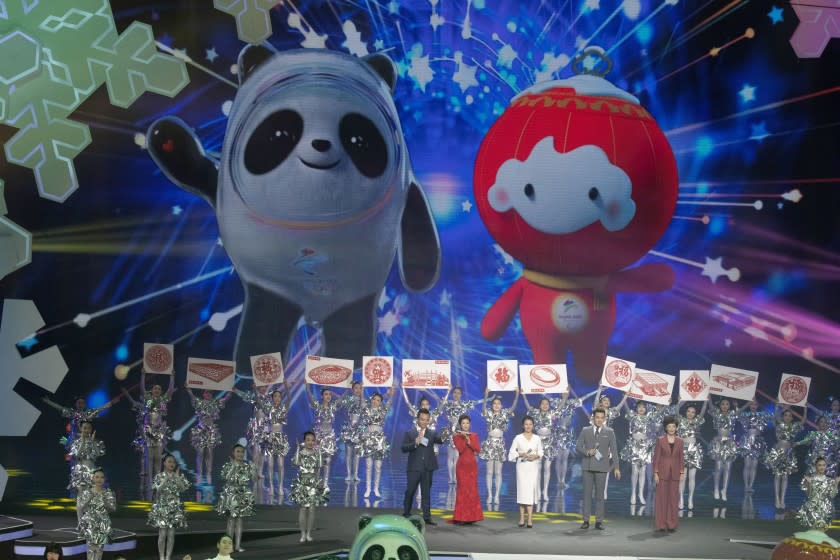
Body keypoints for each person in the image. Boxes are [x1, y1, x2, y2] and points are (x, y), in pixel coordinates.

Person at [122, 372, 176, 486]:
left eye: (159, 389)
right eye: (155, 388)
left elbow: (170, 390)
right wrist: (142, 375)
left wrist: (172, 377)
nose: (157, 390)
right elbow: (142, 388)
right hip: (148, 432)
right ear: (151, 391)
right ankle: (149, 483)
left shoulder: (162, 400)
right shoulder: (147, 399)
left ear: (161, 392)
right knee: (149, 458)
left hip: (159, 432)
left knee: (158, 458)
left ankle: (157, 483)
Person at [576, 407, 620, 530]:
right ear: (593, 418)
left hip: (602, 467)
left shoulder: (609, 431)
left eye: (602, 418)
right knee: (587, 495)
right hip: (587, 466)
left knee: (600, 496)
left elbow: (615, 451)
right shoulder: (586, 430)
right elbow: (578, 446)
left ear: (605, 419)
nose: (599, 420)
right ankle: (586, 520)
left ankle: (599, 521)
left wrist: (616, 467)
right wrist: (587, 451)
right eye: (597, 417)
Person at [401, 408, 444, 525]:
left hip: (427, 468)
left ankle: (427, 517)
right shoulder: (410, 433)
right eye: (422, 419)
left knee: (426, 493)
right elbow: (404, 448)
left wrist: (446, 434)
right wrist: (414, 443)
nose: (424, 422)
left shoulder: (431, 433)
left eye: (426, 420)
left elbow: (440, 440)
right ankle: (406, 513)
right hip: (414, 468)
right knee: (410, 491)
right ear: (417, 419)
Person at [479, 387, 520, 504]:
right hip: (489, 443)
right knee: (489, 472)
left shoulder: (504, 414)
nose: (496, 405)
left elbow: (513, 407)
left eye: (499, 403)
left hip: (500, 444)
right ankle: (489, 495)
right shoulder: (488, 413)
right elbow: (483, 408)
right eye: (495, 403)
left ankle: (497, 495)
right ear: (492, 405)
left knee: (498, 472)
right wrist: (486, 395)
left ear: (501, 405)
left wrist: (517, 394)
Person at [185, 387, 232, 484]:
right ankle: (199, 474)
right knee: (200, 453)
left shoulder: (215, 403)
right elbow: (192, 397)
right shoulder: (199, 402)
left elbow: (225, 399)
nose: (208, 394)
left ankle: (208, 474)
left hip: (211, 431)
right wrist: (189, 390)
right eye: (206, 392)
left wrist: (229, 392)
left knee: (209, 453)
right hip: (200, 430)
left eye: (210, 393)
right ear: (203, 394)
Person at [148, 454, 190, 560]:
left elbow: (183, 489)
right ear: (164, 463)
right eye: (169, 462)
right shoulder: (159, 476)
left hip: (174, 508)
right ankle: (161, 557)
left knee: (171, 535)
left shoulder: (178, 476)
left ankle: (168, 557)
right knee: (162, 534)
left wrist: (177, 478)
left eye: (174, 462)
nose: (172, 464)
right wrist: (166, 479)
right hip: (163, 507)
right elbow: (157, 490)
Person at [290, 431, 329, 543]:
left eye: (312, 440)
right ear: (304, 441)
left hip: (313, 483)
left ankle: (308, 533)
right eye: (308, 440)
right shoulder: (301, 453)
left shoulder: (316, 453)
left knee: (312, 509)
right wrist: (297, 449)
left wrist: (320, 451)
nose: (310, 442)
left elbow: (321, 465)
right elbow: (295, 463)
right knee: (303, 508)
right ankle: (302, 534)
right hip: (302, 483)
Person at [763, 405, 803, 510]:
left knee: (785, 477)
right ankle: (776, 498)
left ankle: (782, 499)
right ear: (783, 416)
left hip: (788, 453)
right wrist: (777, 406)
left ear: (792, 418)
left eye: (790, 416)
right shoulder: (779, 425)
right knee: (777, 476)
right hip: (778, 452)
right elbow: (776, 416)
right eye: (785, 415)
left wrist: (806, 408)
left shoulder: (794, 427)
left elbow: (803, 421)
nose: (787, 417)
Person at [707, 398, 748, 501]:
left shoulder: (732, 414)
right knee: (719, 467)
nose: (725, 406)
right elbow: (711, 407)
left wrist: (749, 402)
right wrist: (709, 399)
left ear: (729, 406)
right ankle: (716, 489)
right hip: (719, 443)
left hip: (729, 443)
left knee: (728, 468)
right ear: (720, 405)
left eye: (727, 404)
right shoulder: (717, 413)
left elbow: (741, 410)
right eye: (723, 404)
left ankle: (724, 490)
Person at [216, 444, 255, 552]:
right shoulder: (228, 465)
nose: (240, 454)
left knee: (240, 521)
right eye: (238, 451)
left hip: (242, 494)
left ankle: (238, 546)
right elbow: (225, 478)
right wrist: (233, 467)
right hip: (231, 494)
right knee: (231, 521)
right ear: (233, 453)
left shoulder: (246, 466)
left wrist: (253, 468)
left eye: (242, 452)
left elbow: (255, 479)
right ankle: (229, 546)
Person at [360, 385, 396, 498]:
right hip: (368, 438)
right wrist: (361, 390)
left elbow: (390, 401)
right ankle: (368, 488)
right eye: (374, 399)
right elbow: (361, 401)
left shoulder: (383, 410)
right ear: (371, 400)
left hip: (379, 440)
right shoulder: (366, 409)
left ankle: (376, 488)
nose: (376, 401)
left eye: (378, 400)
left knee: (378, 466)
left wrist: (393, 391)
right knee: (368, 465)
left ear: (381, 402)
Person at [620, 400, 658, 505]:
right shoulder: (632, 416)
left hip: (644, 447)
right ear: (636, 408)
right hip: (634, 446)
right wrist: (625, 399)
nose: (641, 409)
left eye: (643, 407)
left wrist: (666, 404)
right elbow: (627, 409)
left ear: (646, 409)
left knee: (642, 471)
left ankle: (640, 494)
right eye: (639, 407)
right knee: (634, 471)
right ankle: (633, 493)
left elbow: (659, 413)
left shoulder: (648, 418)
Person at [508, 416, 543, 528]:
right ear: (523, 425)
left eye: (530, 424)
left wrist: (536, 456)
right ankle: (522, 518)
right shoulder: (518, 438)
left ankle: (530, 519)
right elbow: (511, 453)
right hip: (522, 467)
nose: (528, 426)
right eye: (526, 424)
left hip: (533, 467)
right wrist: (520, 454)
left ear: (533, 425)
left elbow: (541, 451)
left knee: (530, 493)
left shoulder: (537, 438)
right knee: (523, 492)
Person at [67, 421, 105, 523]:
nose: (86, 430)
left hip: (92, 471)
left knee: (90, 496)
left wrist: (92, 442)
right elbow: (77, 455)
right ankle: (80, 523)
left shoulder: (96, 441)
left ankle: (88, 521)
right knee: (80, 496)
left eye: (88, 428)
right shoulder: (77, 442)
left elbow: (98, 455)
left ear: (91, 429)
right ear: (81, 429)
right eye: (84, 428)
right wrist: (83, 442)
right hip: (80, 471)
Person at [652, 416, 684, 532]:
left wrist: (682, 472)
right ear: (665, 427)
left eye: (673, 426)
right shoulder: (660, 440)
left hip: (675, 473)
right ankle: (661, 524)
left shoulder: (680, 441)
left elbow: (681, 458)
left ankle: (671, 524)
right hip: (662, 472)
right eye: (669, 426)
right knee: (661, 499)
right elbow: (656, 457)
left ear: (676, 428)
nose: (671, 428)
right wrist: (655, 473)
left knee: (673, 499)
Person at [306, 386, 339, 491]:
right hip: (319, 436)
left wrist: (347, 388)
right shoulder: (318, 406)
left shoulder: (333, 406)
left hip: (329, 436)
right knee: (317, 461)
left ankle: (325, 483)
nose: (328, 396)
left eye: (330, 394)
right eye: (326, 394)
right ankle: (316, 482)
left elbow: (342, 398)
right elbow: (310, 398)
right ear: (322, 396)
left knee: (327, 461)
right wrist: (307, 386)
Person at [451, 414, 482, 524]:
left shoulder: (474, 435)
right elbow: (461, 449)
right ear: (460, 424)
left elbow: (478, 449)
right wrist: (464, 438)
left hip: (472, 467)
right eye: (463, 423)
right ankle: (461, 517)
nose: (465, 425)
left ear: (470, 424)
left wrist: (469, 440)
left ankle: (472, 517)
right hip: (462, 466)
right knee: (463, 490)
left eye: (467, 423)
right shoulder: (456, 436)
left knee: (472, 490)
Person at [77, 468, 115, 560]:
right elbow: (81, 507)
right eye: (97, 477)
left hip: (102, 524)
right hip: (90, 524)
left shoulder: (108, 493)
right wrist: (88, 497)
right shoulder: (87, 492)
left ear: (104, 479)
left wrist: (105, 501)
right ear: (93, 479)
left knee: (99, 549)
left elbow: (112, 509)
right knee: (90, 548)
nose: (99, 479)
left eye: (102, 477)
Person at [676, 400, 707, 510]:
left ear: (695, 414)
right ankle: (681, 499)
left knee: (692, 477)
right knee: (682, 477)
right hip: (682, 450)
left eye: (693, 412)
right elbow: (676, 410)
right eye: (688, 411)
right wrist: (680, 401)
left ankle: (690, 499)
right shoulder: (681, 420)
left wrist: (705, 402)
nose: (690, 413)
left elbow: (703, 412)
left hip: (693, 450)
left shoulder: (697, 421)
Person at [263, 382, 292, 498]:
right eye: (275, 396)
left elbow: (289, 397)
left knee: (280, 465)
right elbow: (259, 401)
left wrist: (286, 385)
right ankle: (270, 486)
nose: (277, 398)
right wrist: (255, 390)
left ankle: (280, 486)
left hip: (280, 437)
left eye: (279, 396)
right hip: (270, 438)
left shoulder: (283, 408)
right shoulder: (268, 408)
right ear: (271, 398)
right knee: (270, 465)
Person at [796, 457, 840, 533]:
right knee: (812, 533)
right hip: (812, 509)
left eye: (824, 465)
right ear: (815, 466)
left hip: (825, 510)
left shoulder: (829, 480)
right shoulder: (810, 479)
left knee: (821, 534)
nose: (822, 467)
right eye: (819, 465)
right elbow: (809, 495)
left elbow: (832, 495)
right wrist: (809, 483)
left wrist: (836, 483)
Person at [737, 399, 772, 494]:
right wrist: (746, 403)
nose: (753, 406)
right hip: (747, 441)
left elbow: (773, 416)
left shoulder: (761, 415)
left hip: (757, 441)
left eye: (755, 404)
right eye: (751, 404)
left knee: (754, 466)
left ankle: (750, 486)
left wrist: (777, 405)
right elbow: (737, 413)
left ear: (758, 405)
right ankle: (746, 486)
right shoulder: (745, 415)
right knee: (747, 464)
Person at [338, 382, 365, 481]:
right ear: (352, 389)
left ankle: (356, 474)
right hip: (349, 428)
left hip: (359, 429)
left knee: (357, 454)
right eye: (356, 388)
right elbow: (340, 405)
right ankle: (349, 474)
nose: (358, 390)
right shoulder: (348, 399)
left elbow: (363, 408)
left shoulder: (363, 400)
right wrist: (346, 391)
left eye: (360, 388)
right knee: (349, 454)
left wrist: (362, 395)